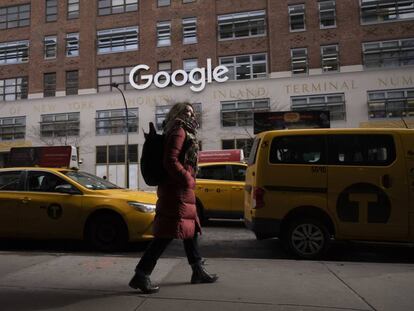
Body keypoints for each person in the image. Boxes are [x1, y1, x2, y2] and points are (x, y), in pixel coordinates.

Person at [129, 102, 218, 294]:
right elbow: (170, 160)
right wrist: (187, 179)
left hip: (180, 189)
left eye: (192, 112)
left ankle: (197, 270)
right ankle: (141, 274)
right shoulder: (179, 130)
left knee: (190, 229)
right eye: (187, 111)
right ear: (177, 113)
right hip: (176, 190)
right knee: (167, 234)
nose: (191, 115)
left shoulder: (182, 130)